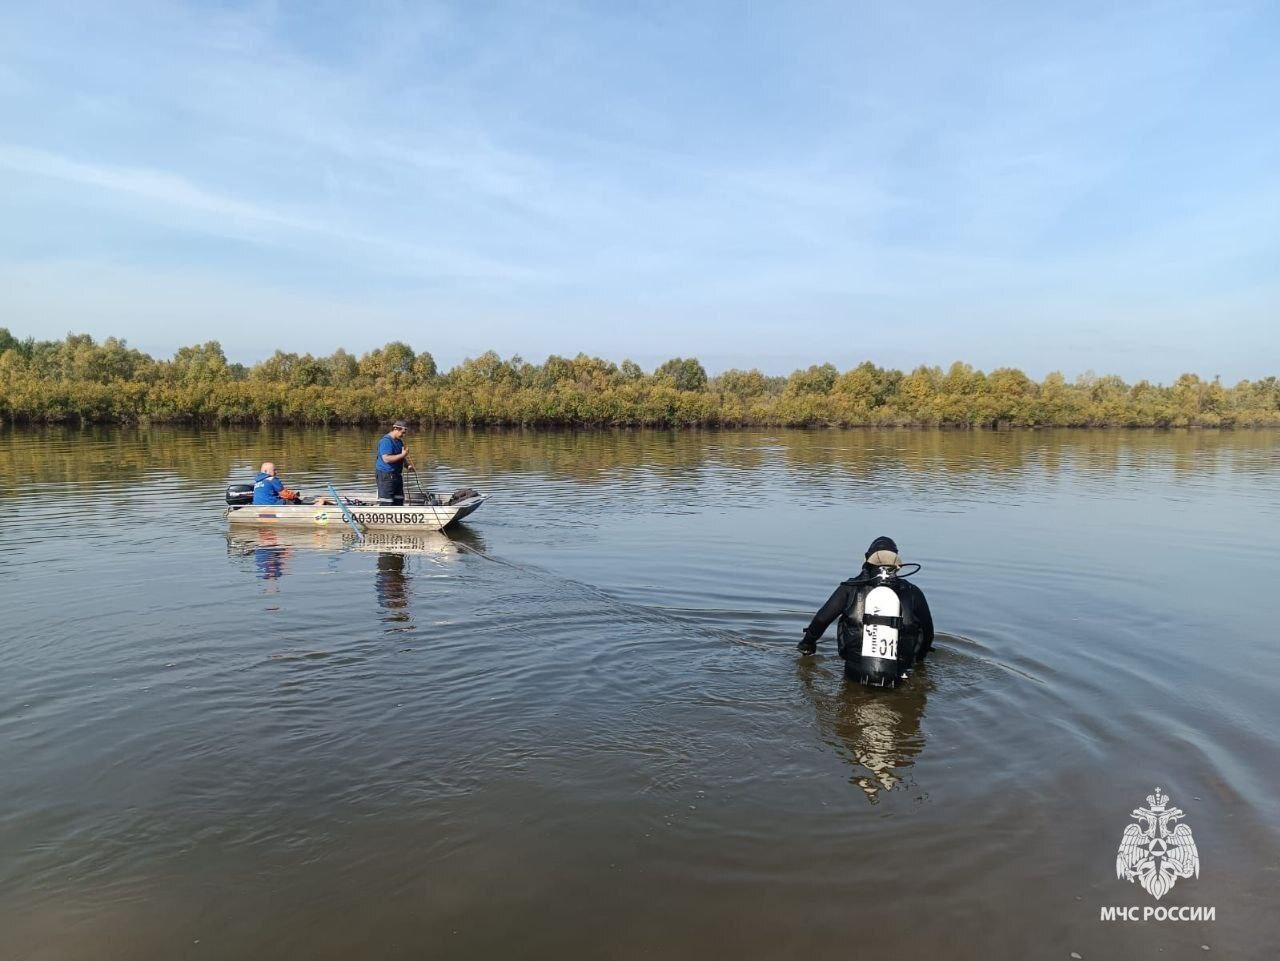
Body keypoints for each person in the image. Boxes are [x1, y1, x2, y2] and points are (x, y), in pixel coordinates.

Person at [797, 535, 934, 686]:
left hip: (855, 672)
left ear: (867, 559)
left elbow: (822, 619)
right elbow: (928, 633)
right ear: (897, 564)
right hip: (898, 674)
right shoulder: (913, 592)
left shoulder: (850, 588)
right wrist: (919, 661)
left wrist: (807, 644)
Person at [252, 462, 329, 506]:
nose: (276, 472)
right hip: (273, 505)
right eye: (274, 470)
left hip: (259, 506)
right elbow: (285, 494)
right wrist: (294, 496)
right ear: (266, 471)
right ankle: (316, 506)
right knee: (296, 501)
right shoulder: (272, 479)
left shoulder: (257, 482)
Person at [375, 420, 414, 506]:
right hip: (386, 475)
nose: (403, 435)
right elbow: (386, 459)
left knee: (399, 500)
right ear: (396, 429)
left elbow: (400, 456)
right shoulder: (386, 441)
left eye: (405, 433)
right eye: (402, 432)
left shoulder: (399, 441)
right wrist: (403, 454)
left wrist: (407, 465)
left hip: (397, 475)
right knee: (387, 502)